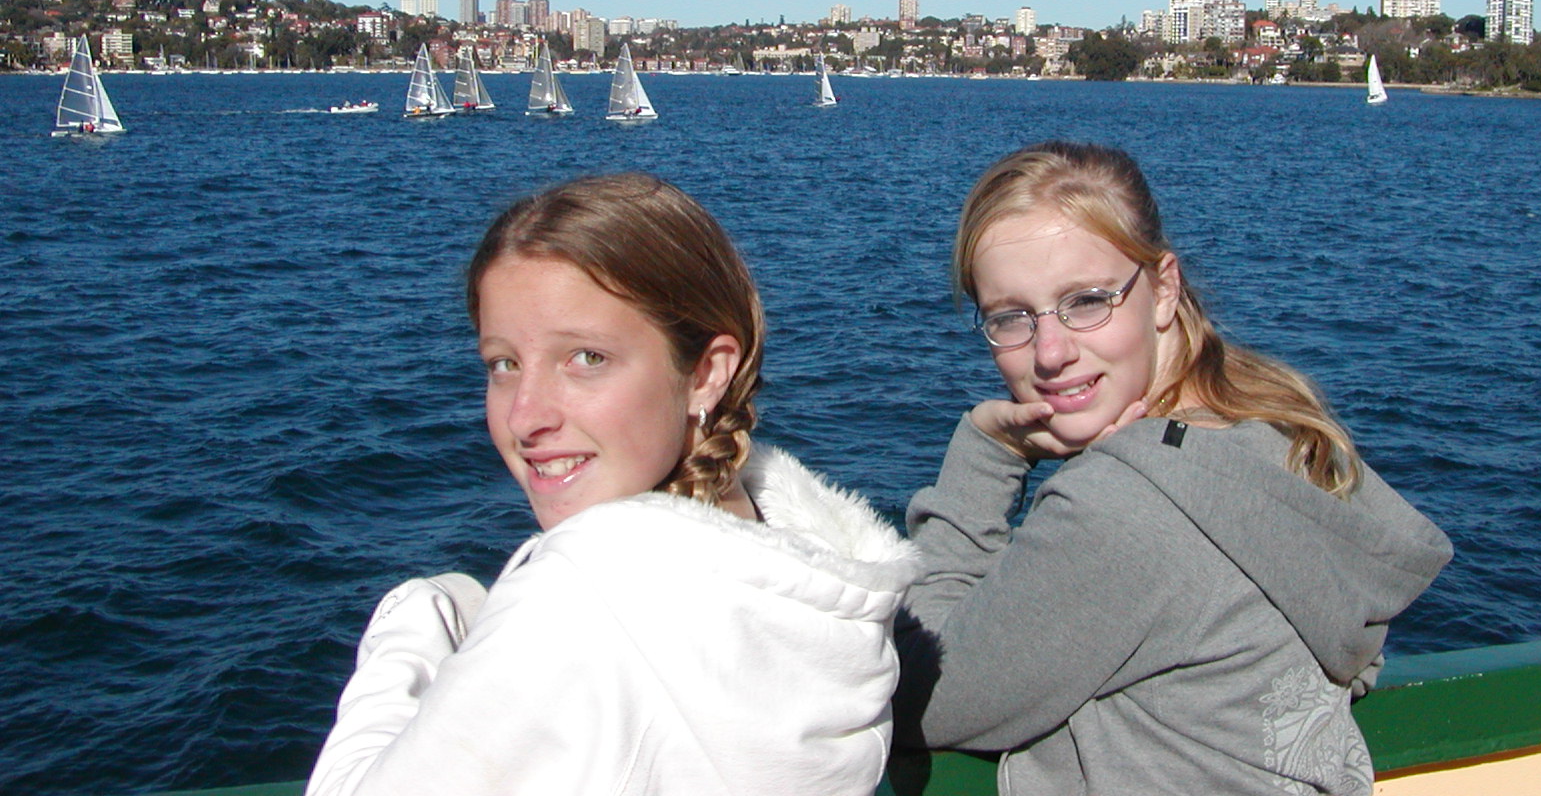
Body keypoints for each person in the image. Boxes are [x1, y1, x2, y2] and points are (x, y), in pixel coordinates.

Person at [308, 173, 916, 796]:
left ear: (706, 374)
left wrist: (424, 613)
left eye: (586, 358)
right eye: (504, 364)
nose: (524, 417)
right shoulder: (817, 587)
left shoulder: (579, 597)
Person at [894, 141, 1451, 796]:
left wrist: (987, 455)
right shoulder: (1279, 434)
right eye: (1010, 317)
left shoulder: (1124, 505)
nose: (1049, 352)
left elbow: (919, 693)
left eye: (1087, 301)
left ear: (1163, 289)